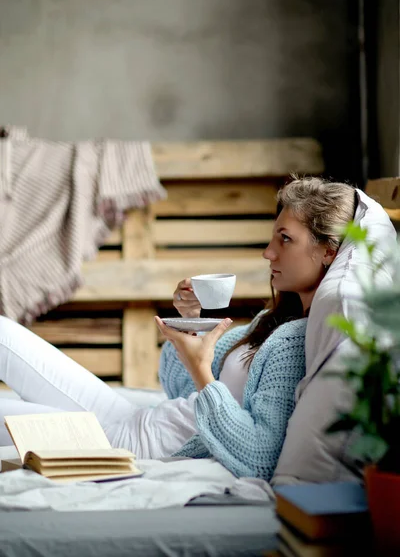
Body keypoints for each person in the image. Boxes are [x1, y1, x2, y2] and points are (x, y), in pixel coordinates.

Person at [0, 176, 357, 481]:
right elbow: (178, 387)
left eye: (285, 239)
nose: (268, 253)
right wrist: (191, 326)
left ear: (328, 251)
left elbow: (259, 457)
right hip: (139, 419)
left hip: (136, 445)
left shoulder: (297, 342)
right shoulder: (272, 321)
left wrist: (202, 369)